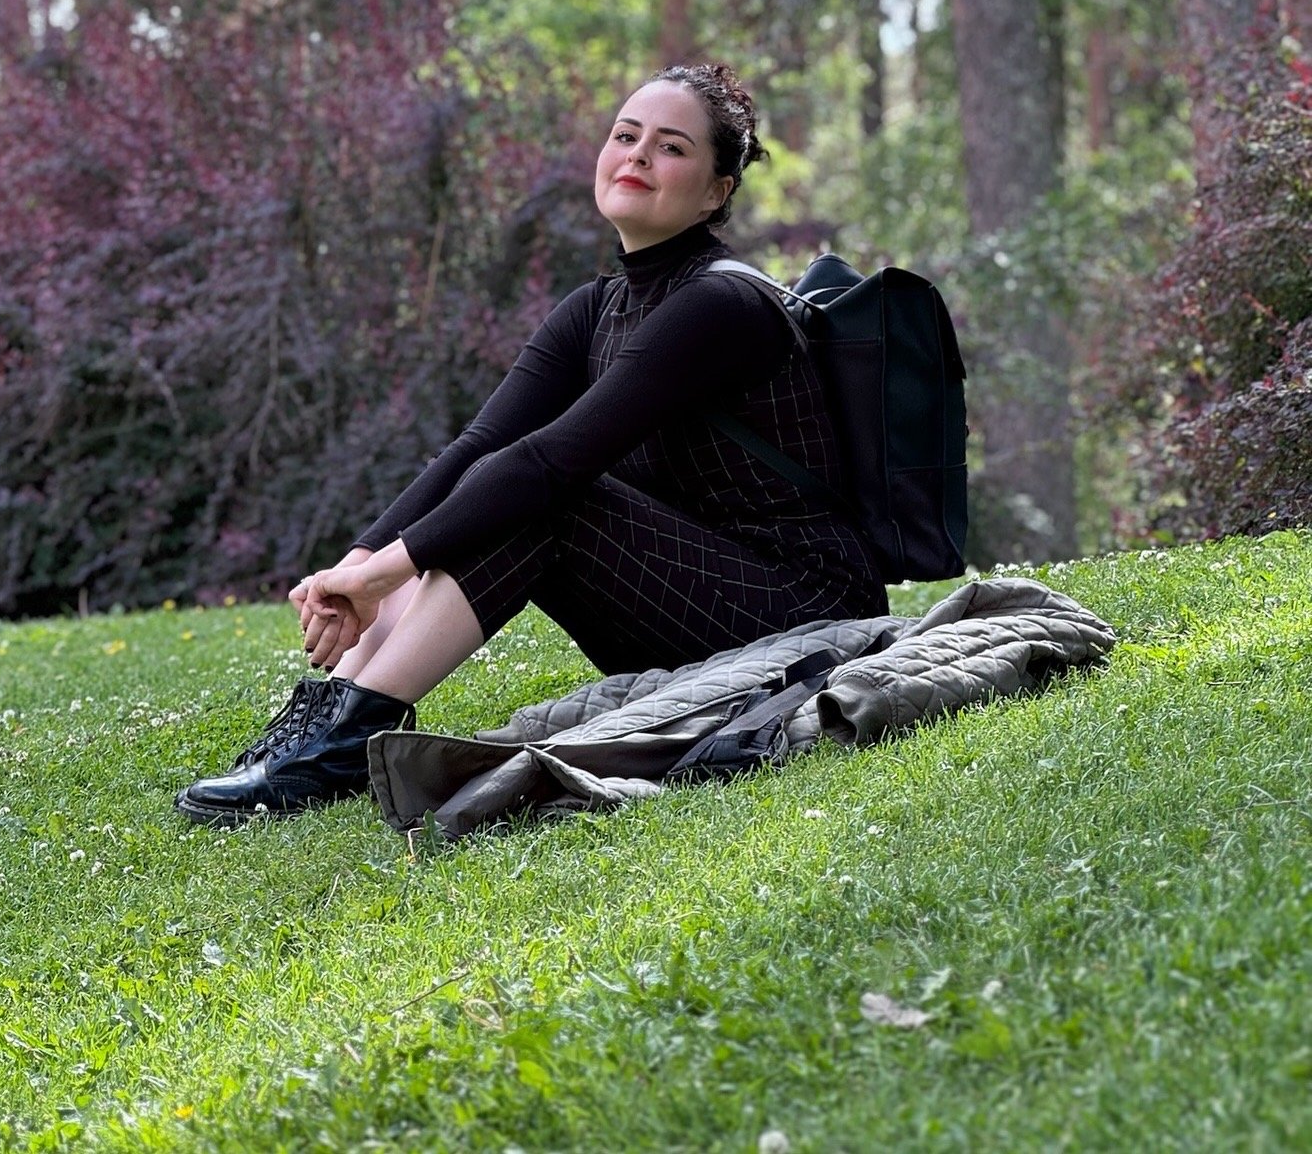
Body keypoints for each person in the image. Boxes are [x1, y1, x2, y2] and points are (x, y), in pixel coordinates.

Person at [175, 62, 886, 826]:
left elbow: (551, 463)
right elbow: (475, 446)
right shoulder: (597, 308)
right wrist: (354, 567)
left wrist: (384, 574)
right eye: (626, 136)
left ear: (717, 191)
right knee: (486, 481)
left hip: (807, 614)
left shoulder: (721, 304)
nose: (639, 155)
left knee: (546, 494)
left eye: (671, 147)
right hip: (696, 605)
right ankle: (330, 718)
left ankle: (349, 739)